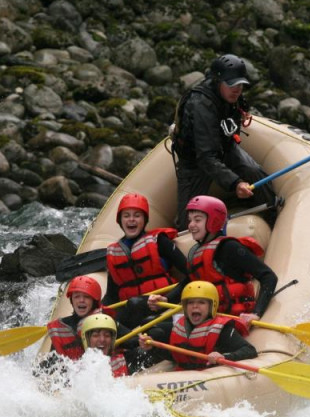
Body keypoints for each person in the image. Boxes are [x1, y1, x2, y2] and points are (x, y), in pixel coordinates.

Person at [170, 53, 277, 230]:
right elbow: (206, 158)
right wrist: (235, 183)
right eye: (231, 84)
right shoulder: (201, 105)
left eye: (240, 85)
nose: (237, 89)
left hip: (225, 147)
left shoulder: (232, 97)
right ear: (218, 81)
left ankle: (272, 214)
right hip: (196, 161)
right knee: (186, 221)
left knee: (254, 171)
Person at [149, 195, 277, 325]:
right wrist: (167, 299)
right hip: (208, 318)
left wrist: (256, 313)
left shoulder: (229, 247)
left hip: (232, 318)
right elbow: (189, 282)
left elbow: (268, 276)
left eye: (197, 220)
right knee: (151, 325)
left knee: (158, 330)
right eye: (190, 220)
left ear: (213, 221)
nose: (191, 225)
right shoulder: (196, 252)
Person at [102, 193, 188, 327]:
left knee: (134, 303)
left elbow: (191, 273)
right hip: (133, 312)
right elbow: (112, 297)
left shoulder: (159, 241)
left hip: (164, 305)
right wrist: (97, 313)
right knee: (128, 308)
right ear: (120, 221)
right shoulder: (114, 253)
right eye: (126, 216)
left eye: (137, 215)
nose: (131, 220)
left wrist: (168, 298)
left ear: (144, 220)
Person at [138, 281, 257, 370]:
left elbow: (250, 350)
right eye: (190, 302)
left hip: (210, 379)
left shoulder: (222, 329)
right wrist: (153, 348)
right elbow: (177, 356)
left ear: (212, 306)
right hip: (186, 377)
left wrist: (224, 357)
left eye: (201, 302)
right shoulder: (180, 327)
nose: (195, 306)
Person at [45, 275, 103, 361]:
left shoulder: (105, 320)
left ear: (94, 301)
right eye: (77, 296)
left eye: (86, 297)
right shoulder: (60, 329)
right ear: (71, 300)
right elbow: (53, 361)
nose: (81, 300)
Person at [79, 313, 147, 377]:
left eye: (107, 335)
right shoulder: (76, 369)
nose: (102, 339)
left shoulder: (122, 361)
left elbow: (151, 356)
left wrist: (148, 347)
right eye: (96, 335)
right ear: (86, 339)